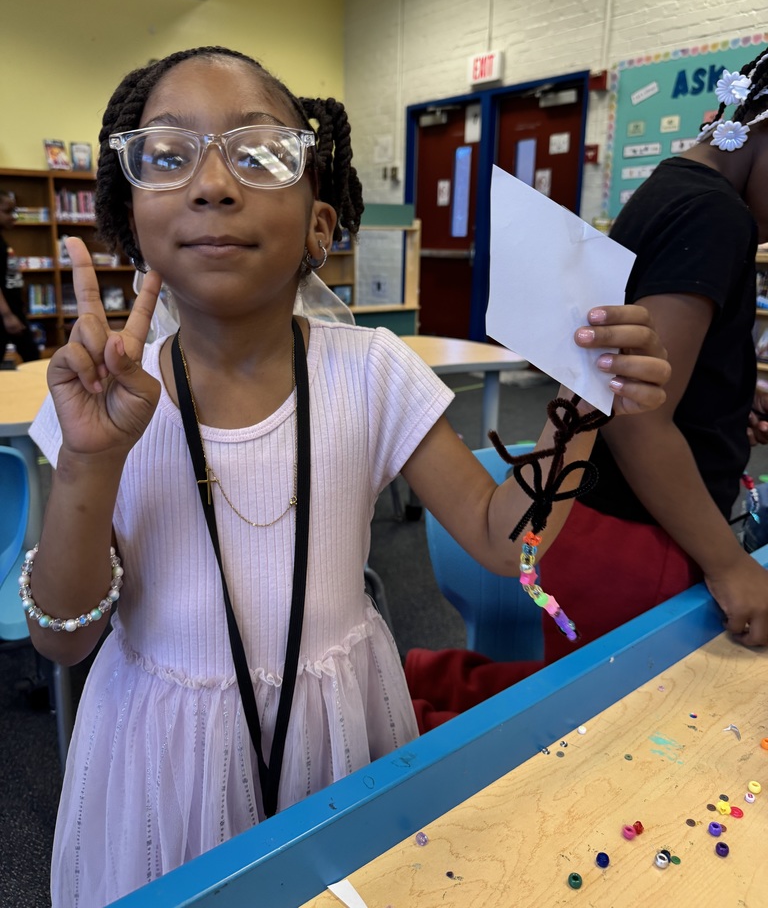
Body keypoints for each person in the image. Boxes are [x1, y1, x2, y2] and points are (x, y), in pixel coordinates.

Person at [24, 46, 669, 907]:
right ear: (129, 216)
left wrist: (580, 401)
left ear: (320, 224)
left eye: (258, 154)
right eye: (169, 157)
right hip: (159, 749)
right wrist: (90, 462)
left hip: (337, 726)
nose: (213, 185)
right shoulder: (95, 397)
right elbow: (63, 639)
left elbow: (493, 535)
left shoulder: (369, 370)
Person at [407, 44, 768, 731]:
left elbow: (661, 366)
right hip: (636, 533)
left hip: (604, 518)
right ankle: (424, 699)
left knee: (581, 702)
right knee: (603, 726)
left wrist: (727, 399)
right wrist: (729, 565)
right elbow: (631, 410)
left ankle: (435, 687)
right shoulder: (716, 215)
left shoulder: (675, 185)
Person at [0, 189, 41, 362]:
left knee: (31, 353)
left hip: (15, 310)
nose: (13, 216)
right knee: (31, 354)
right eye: (7, 212)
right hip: (5, 314)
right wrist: (7, 316)